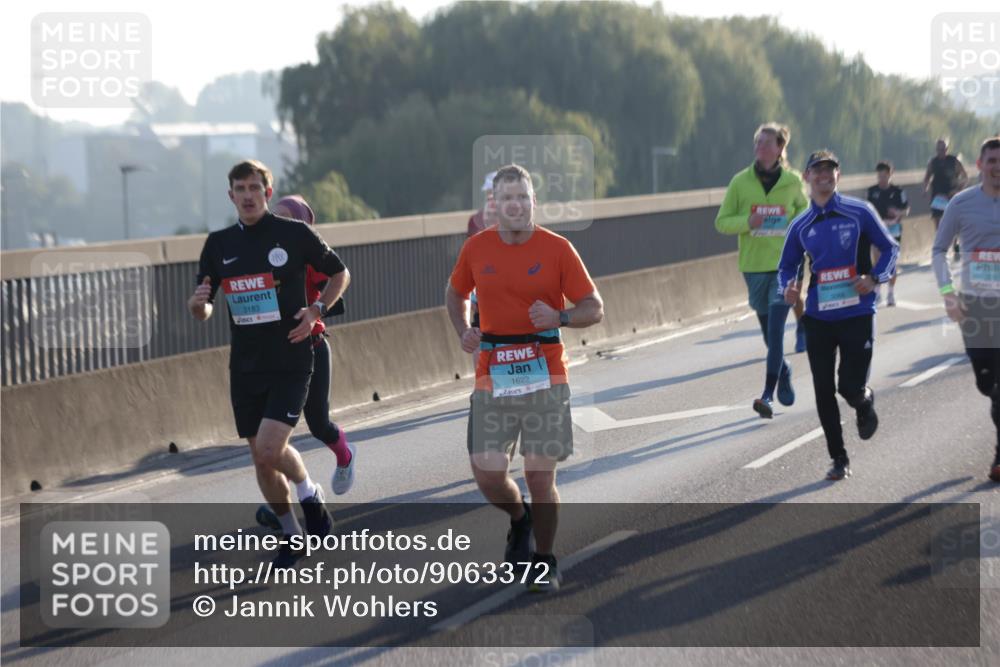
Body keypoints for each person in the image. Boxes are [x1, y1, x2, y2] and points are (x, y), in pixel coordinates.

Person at [446, 164, 604, 592]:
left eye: (523, 196)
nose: (515, 205)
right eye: (506, 198)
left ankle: (545, 558)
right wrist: (465, 331)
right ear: (494, 206)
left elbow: (594, 306)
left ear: (533, 201)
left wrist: (561, 316)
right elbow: (456, 291)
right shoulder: (477, 248)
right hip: (493, 371)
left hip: (546, 371)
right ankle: (520, 518)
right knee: (488, 472)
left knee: (538, 476)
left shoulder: (557, 248)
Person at [188, 160, 350, 566]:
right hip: (245, 366)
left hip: (292, 357)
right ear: (231, 196)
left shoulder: (293, 234)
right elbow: (204, 305)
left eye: (254, 188)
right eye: (239, 188)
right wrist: (197, 307)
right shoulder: (219, 244)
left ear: (267, 193)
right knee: (260, 458)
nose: (247, 195)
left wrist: (316, 311)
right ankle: (293, 532)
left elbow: (339, 273)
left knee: (270, 446)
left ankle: (309, 491)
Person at [778, 150, 899, 481]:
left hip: (857, 312)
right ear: (806, 178)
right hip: (818, 316)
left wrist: (874, 278)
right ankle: (838, 458)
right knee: (822, 389)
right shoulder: (800, 225)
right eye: (817, 171)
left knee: (849, 386)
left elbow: (890, 248)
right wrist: (788, 288)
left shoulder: (859, 211)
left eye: (829, 171)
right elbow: (787, 266)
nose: (823, 176)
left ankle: (863, 401)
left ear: (838, 176)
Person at [715, 123, 810, 419]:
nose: (760, 147)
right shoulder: (740, 183)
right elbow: (722, 222)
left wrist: (791, 222)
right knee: (771, 338)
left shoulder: (793, 182)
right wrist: (748, 221)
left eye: (767, 143)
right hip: (754, 268)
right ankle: (784, 370)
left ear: (780, 148)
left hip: (786, 266)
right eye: (757, 142)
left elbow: (806, 214)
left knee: (777, 330)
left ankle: (767, 395)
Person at [932, 136, 1000, 483]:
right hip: (973, 304)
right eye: (991, 160)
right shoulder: (962, 203)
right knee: (986, 383)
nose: (997, 167)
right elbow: (938, 250)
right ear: (979, 165)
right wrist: (948, 294)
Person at [866, 161, 910, 306]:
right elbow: (868, 210)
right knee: (878, 261)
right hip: (878, 228)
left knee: (891, 263)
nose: (882, 179)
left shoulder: (898, 191)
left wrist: (898, 213)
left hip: (893, 229)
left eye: (885, 176)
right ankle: (878, 292)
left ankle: (891, 293)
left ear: (891, 174)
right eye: (879, 176)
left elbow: (906, 209)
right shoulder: (872, 191)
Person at [924, 137, 969, 258]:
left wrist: (958, 190)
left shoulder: (953, 161)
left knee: (953, 222)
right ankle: (941, 248)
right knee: (938, 224)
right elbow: (927, 177)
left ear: (947, 149)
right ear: (936, 149)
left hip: (951, 196)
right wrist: (925, 188)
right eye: (938, 149)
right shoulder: (932, 162)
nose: (941, 151)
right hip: (938, 197)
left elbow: (965, 177)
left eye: (943, 149)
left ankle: (956, 244)